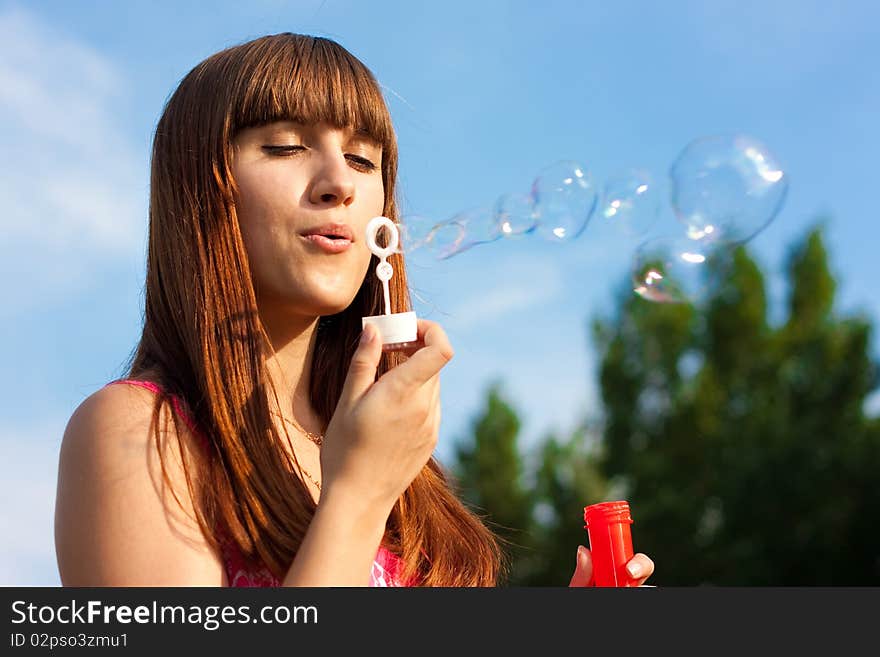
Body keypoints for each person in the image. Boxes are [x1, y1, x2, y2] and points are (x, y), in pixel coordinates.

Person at [54, 32, 654, 587]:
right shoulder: (136, 432)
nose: (339, 182)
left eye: (365, 161)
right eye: (286, 146)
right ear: (201, 188)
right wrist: (360, 494)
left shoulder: (404, 473)